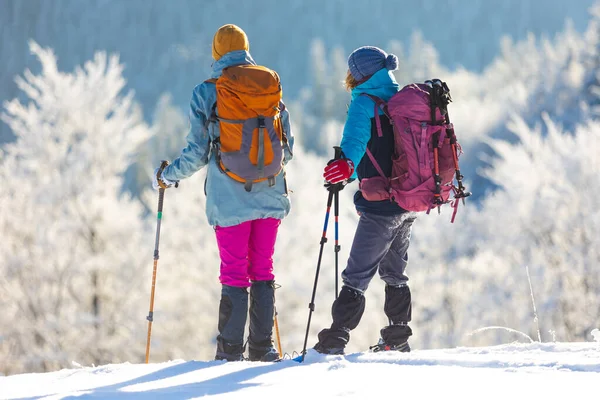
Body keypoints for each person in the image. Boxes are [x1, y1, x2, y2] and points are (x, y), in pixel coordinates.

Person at [152, 24, 294, 362]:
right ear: (246, 49)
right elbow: (287, 150)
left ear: (216, 53)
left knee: (233, 270)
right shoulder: (269, 86)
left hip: (229, 197)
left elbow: (198, 153)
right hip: (271, 194)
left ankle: (229, 351)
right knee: (263, 267)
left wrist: (168, 176)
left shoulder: (206, 92)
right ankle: (263, 348)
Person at [314, 46, 416, 355]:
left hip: (381, 205)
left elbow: (355, 144)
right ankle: (398, 337)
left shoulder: (363, 104)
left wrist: (343, 169)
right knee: (395, 272)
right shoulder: (399, 100)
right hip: (407, 200)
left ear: (357, 74)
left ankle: (335, 340)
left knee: (356, 274)